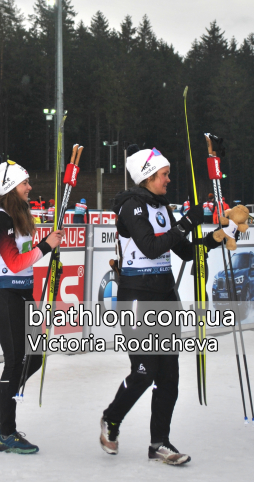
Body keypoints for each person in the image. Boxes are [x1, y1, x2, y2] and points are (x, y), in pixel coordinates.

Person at [99, 145, 222, 465]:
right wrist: (186, 222)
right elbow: (151, 247)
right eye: (164, 175)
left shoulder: (162, 208)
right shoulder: (131, 206)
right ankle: (111, 419)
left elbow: (185, 251)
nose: (169, 180)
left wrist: (219, 236)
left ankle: (159, 443)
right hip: (137, 297)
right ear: (148, 176)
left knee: (168, 374)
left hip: (166, 295)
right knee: (144, 371)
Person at [0, 153, 63, 454]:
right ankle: (7, 433)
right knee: (14, 361)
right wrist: (46, 246)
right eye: (25, 182)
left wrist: (49, 256)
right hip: (6, 295)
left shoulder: (21, 216)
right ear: (11, 185)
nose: (30, 187)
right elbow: (13, 262)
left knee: (34, 358)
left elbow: (26, 260)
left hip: (25, 294)